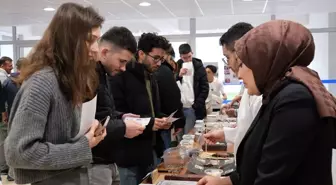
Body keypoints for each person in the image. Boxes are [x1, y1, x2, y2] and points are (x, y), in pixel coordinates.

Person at [199, 20, 336, 185]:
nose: (239, 74)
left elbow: (270, 177)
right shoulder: (276, 93)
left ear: (263, 61)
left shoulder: (294, 100)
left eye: (243, 64)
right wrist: (229, 180)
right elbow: (258, 157)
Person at [4, 3, 107, 185]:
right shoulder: (43, 82)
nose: (96, 49)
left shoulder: (66, 78)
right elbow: (19, 153)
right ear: (68, 40)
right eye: (90, 40)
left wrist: (88, 130)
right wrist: (84, 145)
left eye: (97, 40)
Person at [109, 33, 171, 185]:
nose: (159, 63)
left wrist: (162, 119)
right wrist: (151, 122)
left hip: (151, 150)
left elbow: (153, 110)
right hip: (129, 155)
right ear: (141, 54)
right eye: (155, 58)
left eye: (162, 59)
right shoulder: (121, 76)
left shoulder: (150, 76)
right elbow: (117, 114)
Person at [90, 26, 145, 185]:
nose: (123, 68)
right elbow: (90, 124)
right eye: (121, 61)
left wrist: (121, 116)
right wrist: (123, 127)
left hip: (108, 158)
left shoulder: (104, 74)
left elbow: (103, 111)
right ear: (105, 52)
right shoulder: (89, 77)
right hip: (94, 163)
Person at [204, 22, 262, 157]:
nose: (229, 65)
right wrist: (224, 134)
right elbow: (246, 130)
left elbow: (256, 144)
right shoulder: (250, 87)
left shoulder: (260, 93)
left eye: (228, 58)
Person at [155, 45, 185, 149]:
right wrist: (179, 121)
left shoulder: (156, 70)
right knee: (166, 156)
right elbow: (173, 97)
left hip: (157, 120)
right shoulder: (164, 70)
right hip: (164, 121)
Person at [176, 43, 209, 134]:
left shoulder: (199, 67)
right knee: (180, 136)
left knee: (190, 135)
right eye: (184, 58)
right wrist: (179, 76)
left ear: (192, 53)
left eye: (189, 56)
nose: (187, 60)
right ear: (180, 57)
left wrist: (196, 105)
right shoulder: (176, 67)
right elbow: (172, 86)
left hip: (193, 107)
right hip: (180, 108)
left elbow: (205, 88)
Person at [0, 56, 13, 183]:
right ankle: (6, 169)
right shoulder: (3, 78)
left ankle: (3, 167)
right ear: (3, 65)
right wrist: (5, 115)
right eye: (9, 65)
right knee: (5, 140)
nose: (12, 67)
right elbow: (3, 100)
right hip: (3, 116)